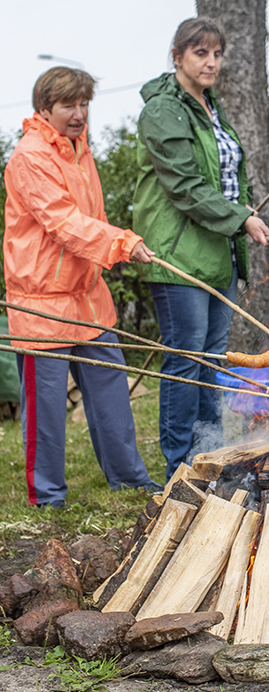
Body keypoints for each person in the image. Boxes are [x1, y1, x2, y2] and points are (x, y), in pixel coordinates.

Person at [3, 67, 159, 508]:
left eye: (84, 104)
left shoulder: (80, 149)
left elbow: (92, 217)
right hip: (42, 304)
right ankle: (48, 497)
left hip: (89, 297)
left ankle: (129, 480)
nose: (78, 113)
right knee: (47, 412)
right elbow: (63, 223)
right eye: (68, 105)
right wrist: (121, 243)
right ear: (44, 109)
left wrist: (115, 240)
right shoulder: (31, 156)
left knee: (113, 395)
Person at [134, 17, 269, 480]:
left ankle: (209, 456)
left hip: (218, 253)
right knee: (186, 362)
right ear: (177, 57)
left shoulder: (209, 105)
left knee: (212, 362)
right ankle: (179, 465)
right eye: (200, 53)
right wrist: (241, 217)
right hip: (178, 254)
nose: (211, 62)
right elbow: (185, 186)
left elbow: (222, 176)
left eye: (216, 53)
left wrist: (241, 208)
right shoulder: (163, 110)